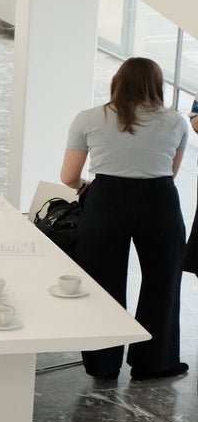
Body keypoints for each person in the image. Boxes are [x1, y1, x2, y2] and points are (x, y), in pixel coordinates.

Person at [60, 56, 188, 381]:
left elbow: (68, 177)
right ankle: (154, 363)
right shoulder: (176, 122)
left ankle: (102, 364)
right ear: (157, 85)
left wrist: (86, 187)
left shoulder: (89, 118)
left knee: (103, 283)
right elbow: (170, 173)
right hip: (160, 201)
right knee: (163, 282)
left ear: (117, 81)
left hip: (106, 200)